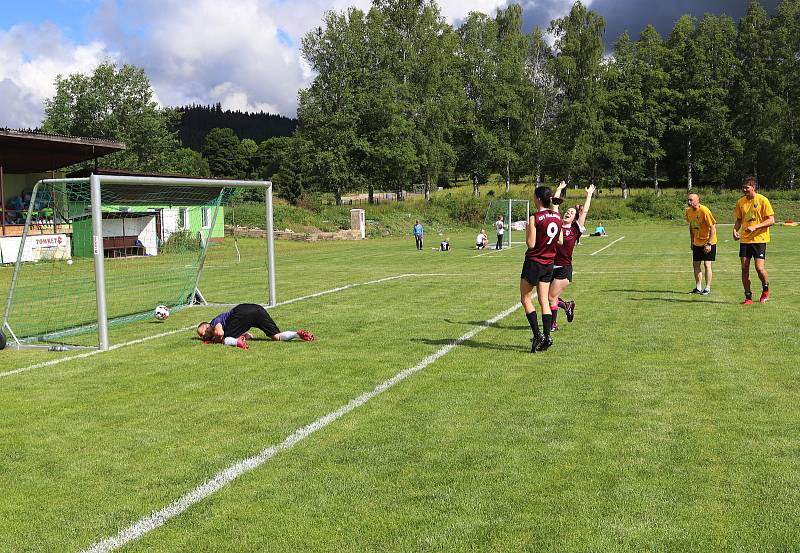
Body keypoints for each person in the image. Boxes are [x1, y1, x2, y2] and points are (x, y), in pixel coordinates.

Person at [520, 186, 563, 353]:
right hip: (548, 263)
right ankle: (547, 336)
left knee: (525, 299)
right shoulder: (557, 216)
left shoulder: (535, 217)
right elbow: (559, 241)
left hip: (534, 262)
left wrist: (529, 229)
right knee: (544, 300)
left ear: (538, 198)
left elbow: (531, 244)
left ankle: (538, 335)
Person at [549, 181, 595, 331]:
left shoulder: (576, 229)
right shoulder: (556, 223)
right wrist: (559, 189)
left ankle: (553, 325)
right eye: (567, 211)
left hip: (564, 268)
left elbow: (584, 212)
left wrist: (588, 194)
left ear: (575, 218)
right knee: (549, 297)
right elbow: (554, 205)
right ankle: (567, 305)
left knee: (550, 297)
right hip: (550, 265)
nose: (568, 213)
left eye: (571, 212)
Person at [197, 303, 314, 350]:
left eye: (204, 330)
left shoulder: (215, 321)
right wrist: (245, 334)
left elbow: (219, 333)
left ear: (208, 324)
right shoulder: (223, 323)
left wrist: (215, 341)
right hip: (257, 308)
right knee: (276, 336)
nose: (204, 334)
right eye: (202, 335)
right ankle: (297, 334)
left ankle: (237, 342)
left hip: (240, 312)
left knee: (224, 338)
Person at [733, 175, 775, 304]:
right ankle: (748, 297)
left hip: (759, 239)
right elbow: (739, 219)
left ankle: (765, 289)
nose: (744, 190)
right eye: (743, 188)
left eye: (747, 187)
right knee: (744, 268)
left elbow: (771, 220)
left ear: (754, 187)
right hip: (745, 240)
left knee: (759, 268)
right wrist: (735, 230)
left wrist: (755, 226)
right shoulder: (740, 202)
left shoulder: (762, 200)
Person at [686, 192, 717, 295]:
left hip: (707, 241)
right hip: (696, 242)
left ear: (697, 200)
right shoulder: (688, 211)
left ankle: (707, 288)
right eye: (688, 200)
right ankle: (698, 288)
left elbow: (712, 227)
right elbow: (691, 227)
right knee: (696, 264)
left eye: (691, 200)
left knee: (707, 264)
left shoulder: (704, 210)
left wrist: (709, 243)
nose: (689, 202)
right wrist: (692, 241)